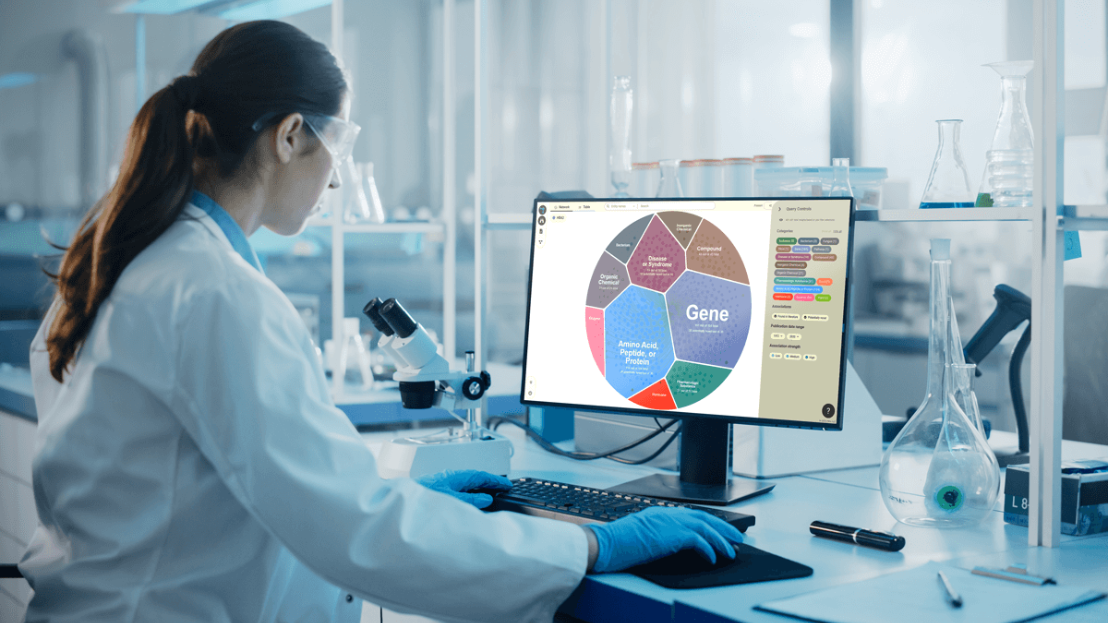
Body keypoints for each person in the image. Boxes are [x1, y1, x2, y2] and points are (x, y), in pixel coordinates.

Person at [21, 20, 743, 623]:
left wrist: (394, 495)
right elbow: (357, 533)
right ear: (291, 136)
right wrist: (590, 544)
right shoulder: (213, 291)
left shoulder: (123, 256)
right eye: (340, 146)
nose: (337, 177)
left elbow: (216, 484)